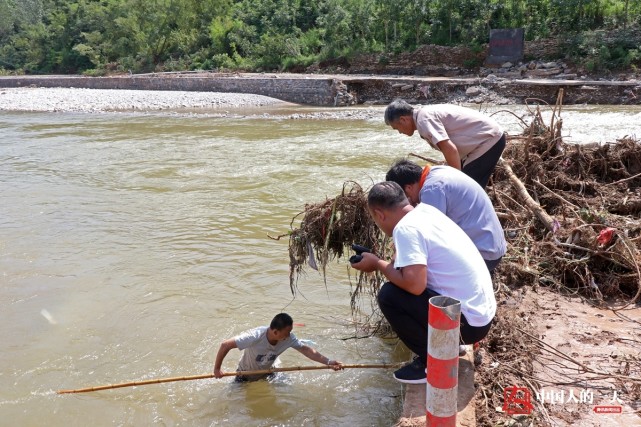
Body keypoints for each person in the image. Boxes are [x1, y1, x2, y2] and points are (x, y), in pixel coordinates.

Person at [350, 182, 496, 384]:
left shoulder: (405, 229)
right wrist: (381, 261)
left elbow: (414, 285)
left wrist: (376, 264)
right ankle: (450, 344)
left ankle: (432, 362)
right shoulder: (426, 212)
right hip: (480, 316)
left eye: (375, 219)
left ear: (379, 214)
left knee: (389, 296)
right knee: (400, 288)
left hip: (468, 325)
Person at [386, 159, 506, 272]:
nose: (409, 202)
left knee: (417, 270)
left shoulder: (431, 190)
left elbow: (427, 237)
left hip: (483, 256)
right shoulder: (437, 172)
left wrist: (399, 256)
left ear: (408, 188)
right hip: (493, 247)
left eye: (405, 198)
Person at [384, 99, 506, 189]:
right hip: (486, 140)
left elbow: (450, 150)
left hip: (488, 140)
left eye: (397, 128)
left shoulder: (424, 120)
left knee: (466, 189)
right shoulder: (424, 115)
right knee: (468, 186)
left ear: (403, 119)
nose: (399, 132)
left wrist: (455, 181)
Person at [213, 313, 343, 381]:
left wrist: (329, 362)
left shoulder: (289, 338)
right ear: (275, 332)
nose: (289, 336)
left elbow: (306, 350)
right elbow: (225, 345)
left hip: (268, 373)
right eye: (287, 333)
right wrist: (217, 369)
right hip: (244, 375)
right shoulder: (255, 336)